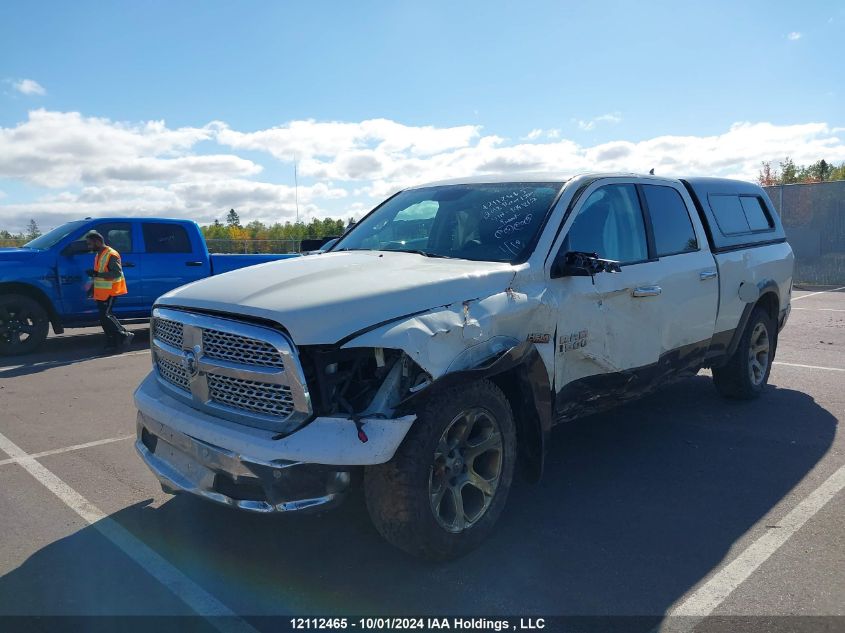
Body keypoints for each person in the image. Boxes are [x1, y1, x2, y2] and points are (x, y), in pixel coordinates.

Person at [84, 230, 134, 351]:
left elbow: (116, 273)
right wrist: (92, 288)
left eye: (90, 244)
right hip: (101, 292)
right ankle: (111, 342)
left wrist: (97, 273)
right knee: (103, 318)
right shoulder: (99, 254)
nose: (89, 246)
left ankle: (124, 334)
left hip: (111, 290)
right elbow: (98, 275)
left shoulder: (111, 254)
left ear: (98, 242)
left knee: (107, 315)